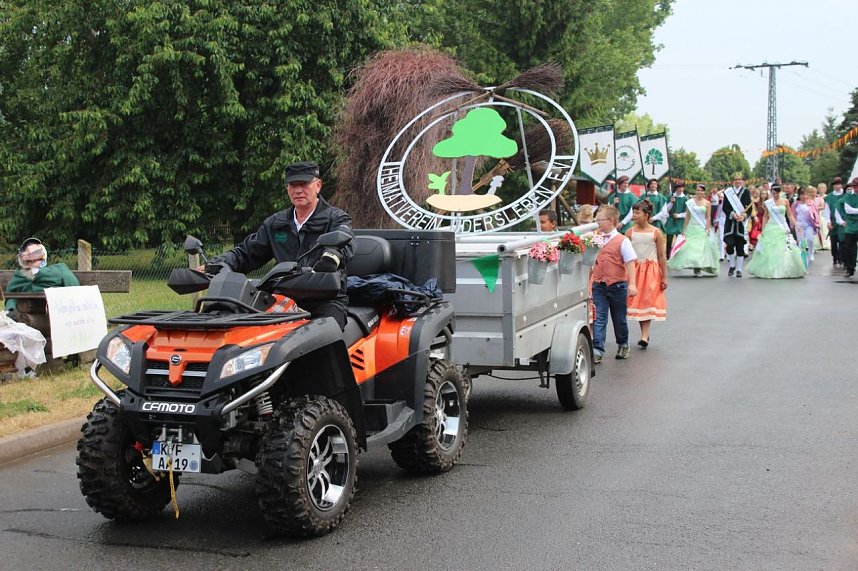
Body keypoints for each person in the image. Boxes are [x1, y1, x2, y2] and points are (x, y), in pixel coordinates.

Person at [207, 161, 355, 329]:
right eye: (293, 184)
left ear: (318, 185)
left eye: (304, 184)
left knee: (324, 338)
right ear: (287, 188)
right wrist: (216, 264)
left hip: (325, 302)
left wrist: (331, 257)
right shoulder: (276, 223)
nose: (298, 190)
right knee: (246, 332)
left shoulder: (336, 219)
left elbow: (346, 241)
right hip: (282, 299)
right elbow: (246, 253)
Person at [590, 206, 637, 363]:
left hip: (617, 285)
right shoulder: (595, 238)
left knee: (619, 318)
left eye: (600, 220)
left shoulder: (622, 240)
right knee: (599, 317)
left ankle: (623, 343)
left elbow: (630, 262)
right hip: (599, 284)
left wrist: (632, 284)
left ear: (611, 221)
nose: (597, 223)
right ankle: (597, 349)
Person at [625, 200, 667, 349]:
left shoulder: (656, 232)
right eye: (633, 212)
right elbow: (625, 254)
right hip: (635, 270)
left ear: (646, 215)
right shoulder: (630, 232)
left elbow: (662, 256)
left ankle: (644, 335)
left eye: (637, 212)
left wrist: (665, 276)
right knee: (638, 302)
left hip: (651, 271)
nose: (634, 215)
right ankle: (644, 333)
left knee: (647, 301)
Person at [5, 238, 80, 317]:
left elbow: (74, 289)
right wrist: (10, 312)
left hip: (57, 311)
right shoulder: (19, 276)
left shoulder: (59, 270)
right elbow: (11, 296)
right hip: (28, 313)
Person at [745, 185, 806, 279]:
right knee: (770, 249)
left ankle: (786, 269)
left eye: (777, 193)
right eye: (773, 193)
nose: (775, 195)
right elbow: (765, 216)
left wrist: (797, 225)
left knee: (786, 248)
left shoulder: (785, 201)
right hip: (771, 226)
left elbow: (789, 215)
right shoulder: (768, 203)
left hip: (782, 226)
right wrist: (763, 230)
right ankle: (771, 270)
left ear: (780, 192)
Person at [667, 183, 720, 276]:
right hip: (691, 227)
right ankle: (694, 266)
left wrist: (708, 228)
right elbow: (687, 216)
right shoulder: (690, 202)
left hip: (701, 227)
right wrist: (684, 229)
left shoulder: (707, 203)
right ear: (696, 191)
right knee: (689, 247)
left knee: (700, 248)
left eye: (701, 190)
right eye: (698, 190)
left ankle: (698, 268)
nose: (699, 192)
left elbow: (708, 217)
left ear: (704, 192)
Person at [722, 173, 752, 277]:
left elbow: (749, 207)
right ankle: (732, 265)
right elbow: (725, 207)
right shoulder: (728, 192)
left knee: (740, 246)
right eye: (736, 179)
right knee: (729, 245)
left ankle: (739, 269)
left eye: (739, 179)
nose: (738, 181)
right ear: (732, 181)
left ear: (742, 181)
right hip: (730, 223)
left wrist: (744, 216)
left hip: (741, 223)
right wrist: (732, 214)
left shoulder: (746, 192)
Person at [791, 186, 820, 263]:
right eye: (802, 194)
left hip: (809, 225)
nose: (804, 196)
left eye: (805, 194)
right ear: (799, 195)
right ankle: (802, 255)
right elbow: (792, 215)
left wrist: (817, 223)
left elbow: (816, 214)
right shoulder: (795, 204)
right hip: (799, 225)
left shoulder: (811, 204)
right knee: (801, 241)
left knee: (810, 239)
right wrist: (793, 225)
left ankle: (811, 253)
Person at [663, 181, 689, 258]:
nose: (681, 189)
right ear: (676, 188)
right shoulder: (670, 197)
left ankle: (677, 256)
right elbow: (666, 210)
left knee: (679, 240)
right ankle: (668, 256)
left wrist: (679, 215)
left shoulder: (685, 199)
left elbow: (687, 212)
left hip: (680, 222)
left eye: (682, 187)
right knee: (669, 239)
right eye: (679, 187)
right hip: (671, 221)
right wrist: (671, 202)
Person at [825, 177, 845, 267]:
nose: (837, 186)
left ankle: (841, 259)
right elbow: (827, 210)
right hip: (833, 221)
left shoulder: (845, 195)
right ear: (833, 186)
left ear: (841, 185)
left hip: (843, 221)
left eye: (839, 184)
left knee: (842, 241)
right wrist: (828, 222)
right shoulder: (829, 197)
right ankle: (835, 257)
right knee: (833, 241)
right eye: (835, 184)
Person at [840, 178, 858, 278]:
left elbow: (852, 210)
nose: (856, 188)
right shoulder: (848, 196)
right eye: (855, 186)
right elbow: (848, 210)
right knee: (848, 247)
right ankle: (849, 268)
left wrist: (855, 210)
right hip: (851, 225)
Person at [814, 183, 829, 251]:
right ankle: (818, 244)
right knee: (817, 229)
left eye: (823, 188)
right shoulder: (816, 197)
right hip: (817, 214)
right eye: (820, 188)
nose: (821, 190)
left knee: (824, 229)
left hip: (824, 214)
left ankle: (826, 243)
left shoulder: (827, 197)